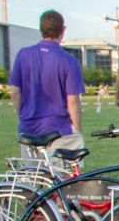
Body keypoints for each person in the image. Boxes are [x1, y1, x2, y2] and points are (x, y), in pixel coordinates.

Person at [9, 10, 85, 159]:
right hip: (59, 129)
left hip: (29, 128)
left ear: (41, 29)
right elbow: (73, 102)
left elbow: (15, 93)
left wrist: (23, 115)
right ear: (63, 30)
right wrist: (77, 129)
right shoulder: (69, 60)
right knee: (66, 180)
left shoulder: (23, 55)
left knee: (33, 178)